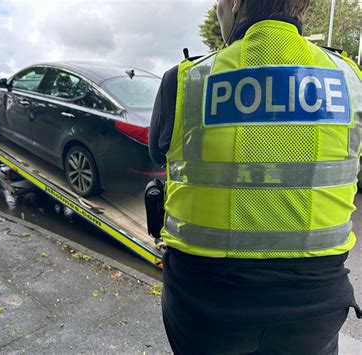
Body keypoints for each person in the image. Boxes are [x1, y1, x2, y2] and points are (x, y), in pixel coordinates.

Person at [149, 0, 362, 354]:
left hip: (205, 305)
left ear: (233, 4)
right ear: (303, 6)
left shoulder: (184, 80)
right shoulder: (350, 80)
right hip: (315, 306)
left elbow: (158, 154)